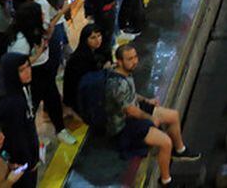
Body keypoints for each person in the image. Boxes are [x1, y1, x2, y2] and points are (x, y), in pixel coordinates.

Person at [106, 44, 200, 186]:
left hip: (135, 110)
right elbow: (129, 110)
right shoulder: (116, 84)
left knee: (173, 116)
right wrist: (151, 118)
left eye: (135, 57)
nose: (135, 61)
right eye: (130, 59)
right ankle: (165, 181)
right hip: (124, 125)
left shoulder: (125, 72)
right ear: (119, 61)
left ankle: (180, 150)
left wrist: (145, 100)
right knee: (165, 142)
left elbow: (131, 95)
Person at [5, 2, 76, 145]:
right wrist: (37, 55)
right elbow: (18, 64)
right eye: (41, 14)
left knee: (53, 99)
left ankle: (60, 129)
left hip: (44, 68)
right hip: (33, 74)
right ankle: (29, 139)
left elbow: (47, 30)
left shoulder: (35, 29)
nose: (44, 16)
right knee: (32, 107)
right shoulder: (20, 41)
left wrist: (60, 14)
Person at [0, 54, 39, 188]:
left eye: (28, 67)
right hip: (21, 163)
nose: (27, 72)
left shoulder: (18, 89)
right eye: (21, 70)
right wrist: (29, 162)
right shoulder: (12, 102)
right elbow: (16, 138)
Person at [62, 23, 108, 113]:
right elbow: (88, 79)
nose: (98, 40)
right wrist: (104, 70)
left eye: (99, 36)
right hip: (80, 96)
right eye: (93, 38)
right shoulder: (79, 58)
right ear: (85, 40)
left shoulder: (96, 51)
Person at [0, 118, 27, 187]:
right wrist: (10, 181)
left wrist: (12, 166)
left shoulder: (2, 153)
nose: (3, 137)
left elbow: (8, 161)